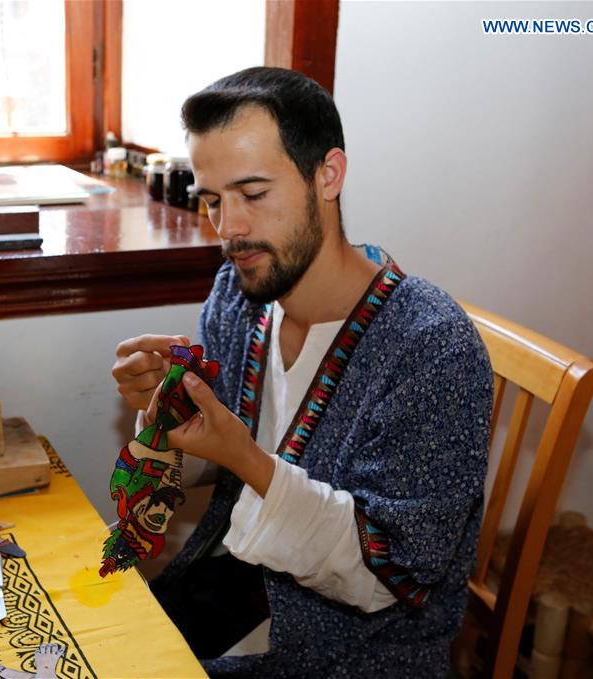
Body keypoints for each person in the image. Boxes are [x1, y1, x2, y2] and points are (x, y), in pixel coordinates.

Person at [111, 67, 493, 678]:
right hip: (234, 597)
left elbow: (390, 575)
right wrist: (172, 415)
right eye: (212, 200)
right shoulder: (240, 298)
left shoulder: (431, 348)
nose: (229, 229)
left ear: (328, 175)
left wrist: (244, 456)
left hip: (353, 656)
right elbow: (226, 460)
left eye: (254, 194)